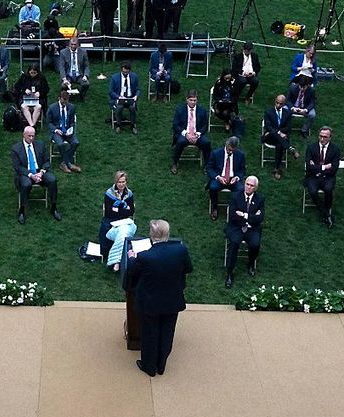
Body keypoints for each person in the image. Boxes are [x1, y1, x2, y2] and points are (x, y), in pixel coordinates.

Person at [128, 219, 193, 377]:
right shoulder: (180, 250)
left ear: (151, 236)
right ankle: (161, 365)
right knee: (167, 333)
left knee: (150, 334)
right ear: (167, 234)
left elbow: (131, 276)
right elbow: (188, 269)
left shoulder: (143, 257)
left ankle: (149, 367)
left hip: (150, 303)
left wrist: (132, 258)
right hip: (172, 300)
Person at [10, 126, 61, 224]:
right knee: (25, 184)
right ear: (24, 135)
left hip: (39, 171)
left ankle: (54, 207)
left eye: (33, 136)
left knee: (52, 180)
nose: (31, 138)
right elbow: (18, 167)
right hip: (26, 173)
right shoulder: (16, 148)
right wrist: (30, 175)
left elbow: (46, 161)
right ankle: (22, 210)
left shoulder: (40, 145)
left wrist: (41, 172)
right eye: (29, 136)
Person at [224, 176, 263, 288]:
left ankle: (251, 264)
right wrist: (252, 216)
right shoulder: (235, 196)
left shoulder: (260, 199)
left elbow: (260, 219)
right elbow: (232, 216)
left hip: (252, 228)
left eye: (251, 185)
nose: (248, 187)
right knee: (234, 243)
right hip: (236, 227)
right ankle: (230, 273)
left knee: (255, 244)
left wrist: (244, 215)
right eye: (247, 184)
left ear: (255, 188)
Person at [304, 126, 340, 228]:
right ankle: (326, 213)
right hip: (312, 176)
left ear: (330, 137)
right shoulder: (311, 147)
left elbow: (334, 168)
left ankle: (326, 211)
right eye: (320, 136)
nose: (322, 139)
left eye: (325, 137)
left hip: (328, 177)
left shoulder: (335, 149)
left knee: (328, 189)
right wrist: (324, 167)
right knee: (312, 191)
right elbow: (309, 166)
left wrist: (317, 167)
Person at [100, 170, 137, 269]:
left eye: (123, 182)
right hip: (112, 220)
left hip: (124, 221)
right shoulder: (109, 193)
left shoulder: (129, 194)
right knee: (122, 234)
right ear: (116, 182)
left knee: (122, 233)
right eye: (119, 182)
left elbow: (131, 211)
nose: (121, 184)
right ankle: (117, 260)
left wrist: (118, 210)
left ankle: (115, 261)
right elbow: (109, 212)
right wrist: (124, 210)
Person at [261, 94, 299, 181]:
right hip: (269, 137)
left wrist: (280, 132)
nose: (278, 105)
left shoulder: (287, 113)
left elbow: (288, 127)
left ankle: (276, 169)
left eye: (280, 103)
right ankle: (290, 148)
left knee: (279, 144)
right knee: (276, 136)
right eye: (277, 103)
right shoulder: (268, 112)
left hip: (279, 138)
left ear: (284, 104)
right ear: (275, 101)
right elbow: (268, 126)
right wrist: (279, 132)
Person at [170, 90, 210, 173]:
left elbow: (205, 126)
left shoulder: (202, 111)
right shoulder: (180, 110)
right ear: (187, 99)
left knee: (206, 143)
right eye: (191, 100)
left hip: (197, 135)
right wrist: (186, 134)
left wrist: (198, 134)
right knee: (180, 142)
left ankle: (207, 165)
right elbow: (175, 125)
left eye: (194, 100)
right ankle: (175, 163)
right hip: (185, 134)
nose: (193, 102)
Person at [206, 136, 246, 218]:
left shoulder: (240, 155)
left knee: (241, 189)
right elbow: (209, 168)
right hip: (219, 178)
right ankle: (215, 207)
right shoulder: (216, 153)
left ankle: (236, 209)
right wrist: (218, 177)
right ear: (226, 145)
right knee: (213, 187)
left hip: (233, 179)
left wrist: (237, 177)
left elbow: (242, 170)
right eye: (229, 149)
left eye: (232, 150)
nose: (230, 152)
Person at [47, 90, 80, 173]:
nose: (65, 102)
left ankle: (64, 163)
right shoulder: (52, 108)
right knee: (60, 144)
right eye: (64, 100)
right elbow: (49, 122)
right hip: (57, 131)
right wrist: (55, 130)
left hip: (67, 131)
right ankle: (68, 164)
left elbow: (72, 121)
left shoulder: (71, 107)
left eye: (67, 100)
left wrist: (71, 128)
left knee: (75, 142)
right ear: (59, 98)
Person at [14, 64, 50, 129]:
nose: (32, 74)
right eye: (31, 73)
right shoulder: (24, 77)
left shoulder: (41, 78)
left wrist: (40, 93)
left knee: (38, 107)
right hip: (25, 98)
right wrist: (24, 90)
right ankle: (32, 126)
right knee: (24, 107)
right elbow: (17, 86)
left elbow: (46, 89)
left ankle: (31, 126)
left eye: (34, 73)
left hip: (38, 99)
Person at [109, 62, 140, 133]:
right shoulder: (114, 78)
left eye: (127, 72)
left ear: (129, 71)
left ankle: (133, 125)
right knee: (119, 108)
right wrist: (118, 97)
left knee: (132, 108)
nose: (125, 73)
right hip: (119, 99)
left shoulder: (134, 77)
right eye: (124, 72)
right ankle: (118, 125)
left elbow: (138, 89)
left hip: (130, 98)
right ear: (121, 70)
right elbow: (111, 91)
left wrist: (136, 96)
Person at [57, 37, 90, 102]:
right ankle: (64, 96)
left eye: (75, 44)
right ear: (69, 44)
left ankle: (82, 95)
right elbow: (61, 67)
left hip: (79, 75)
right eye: (71, 44)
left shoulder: (83, 52)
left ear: (78, 45)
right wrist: (64, 79)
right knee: (64, 86)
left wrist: (85, 76)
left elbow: (87, 66)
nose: (73, 46)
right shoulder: (63, 52)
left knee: (86, 84)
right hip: (68, 75)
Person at [287, 74, 316, 138]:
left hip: (304, 108)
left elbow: (312, 102)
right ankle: (286, 128)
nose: (302, 88)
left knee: (312, 115)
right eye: (301, 86)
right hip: (293, 107)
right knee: (284, 110)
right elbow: (288, 100)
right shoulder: (292, 88)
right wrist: (292, 107)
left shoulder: (311, 90)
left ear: (308, 85)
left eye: (304, 87)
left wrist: (306, 110)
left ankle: (304, 130)